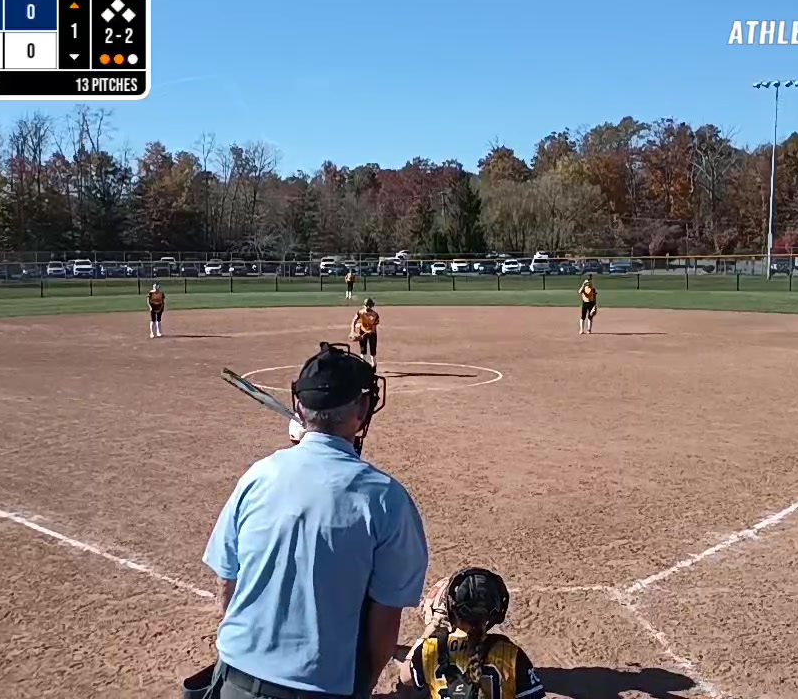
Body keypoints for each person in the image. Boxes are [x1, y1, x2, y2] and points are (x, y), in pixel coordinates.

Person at [203, 342, 428, 699]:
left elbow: (227, 582)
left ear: (299, 407)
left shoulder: (257, 476)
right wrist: (362, 687)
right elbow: (385, 621)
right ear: (363, 409)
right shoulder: (387, 499)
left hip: (235, 678)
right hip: (323, 688)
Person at [396, 568, 545, 699]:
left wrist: (431, 627)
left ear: (451, 609)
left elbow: (405, 677)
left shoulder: (429, 649)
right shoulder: (511, 654)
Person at [351, 298, 380, 370]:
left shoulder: (374, 315)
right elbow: (354, 320)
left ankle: (374, 365)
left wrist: (366, 333)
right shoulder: (361, 312)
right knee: (363, 349)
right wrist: (352, 331)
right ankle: (363, 365)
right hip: (363, 331)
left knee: (372, 349)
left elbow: (373, 329)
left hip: (371, 333)